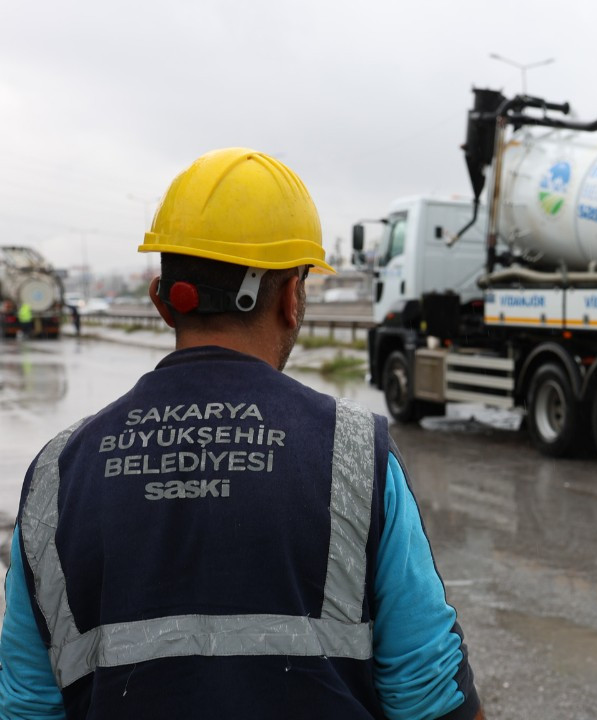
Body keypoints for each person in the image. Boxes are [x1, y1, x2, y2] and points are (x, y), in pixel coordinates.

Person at [0, 148, 484, 719]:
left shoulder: (58, 473)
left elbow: (26, 705)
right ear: (291, 297)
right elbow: (431, 698)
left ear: (162, 302)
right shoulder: (356, 454)